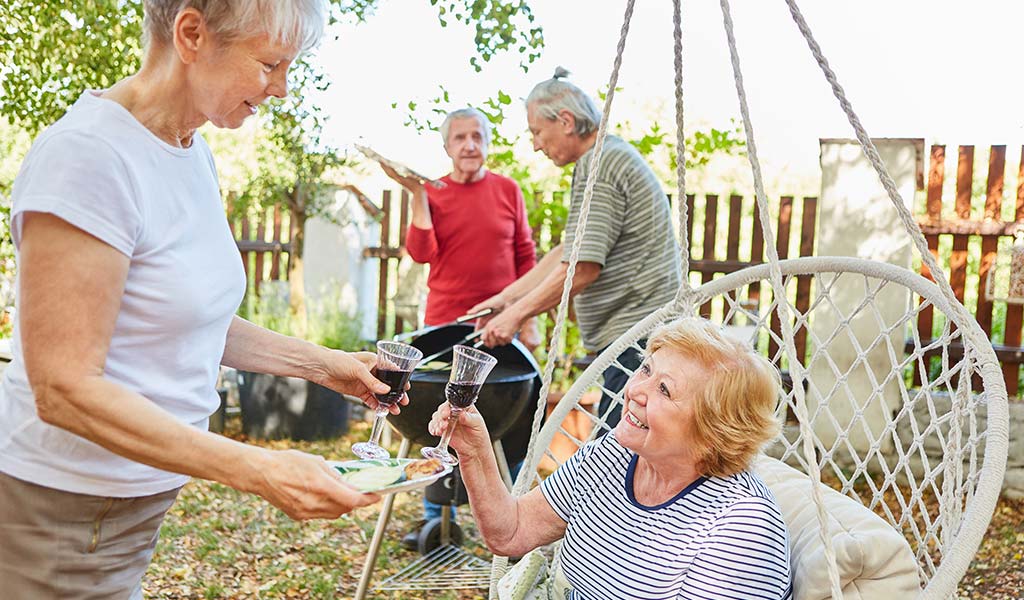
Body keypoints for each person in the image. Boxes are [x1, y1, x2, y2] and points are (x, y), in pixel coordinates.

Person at [0, 2, 394, 597]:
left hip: (133, 503)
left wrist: (322, 365)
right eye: (270, 64)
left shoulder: (191, 151)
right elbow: (62, 388)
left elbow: (184, 317)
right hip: (60, 510)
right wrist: (258, 469)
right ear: (191, 34)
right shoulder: (88, 158)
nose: (282, 89)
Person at [428, 317, 793, 599]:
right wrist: (473, 449)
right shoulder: (612, 456)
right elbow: (511, 531)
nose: (635, 390)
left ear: (713, 430)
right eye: (646, 370)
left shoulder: (740, 528)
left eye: (664, 390)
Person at [471, 67, 681, 428]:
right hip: (636, 336)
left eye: (537, 131)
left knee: (615, 458)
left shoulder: (601, 163)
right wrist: (504, 300)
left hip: (637, 339)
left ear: (566, 120)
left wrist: (516, 316)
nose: (536, 144)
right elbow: (567, 251)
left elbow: (582, 268)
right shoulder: (603, 157)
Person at [380, 107, 538, 547]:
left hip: (499, 328)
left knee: (504, 417)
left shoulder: (508, 190)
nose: (469, 145)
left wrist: (525, 317)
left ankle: (504, 512)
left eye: (476, 136)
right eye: (460, 138)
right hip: (446, 324)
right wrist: (416, 195)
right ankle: (437, 520)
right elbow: (420, 251)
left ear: (486, 142)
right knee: (439, 419)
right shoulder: (435, 192)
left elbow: (525, 255)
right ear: (446, 146)